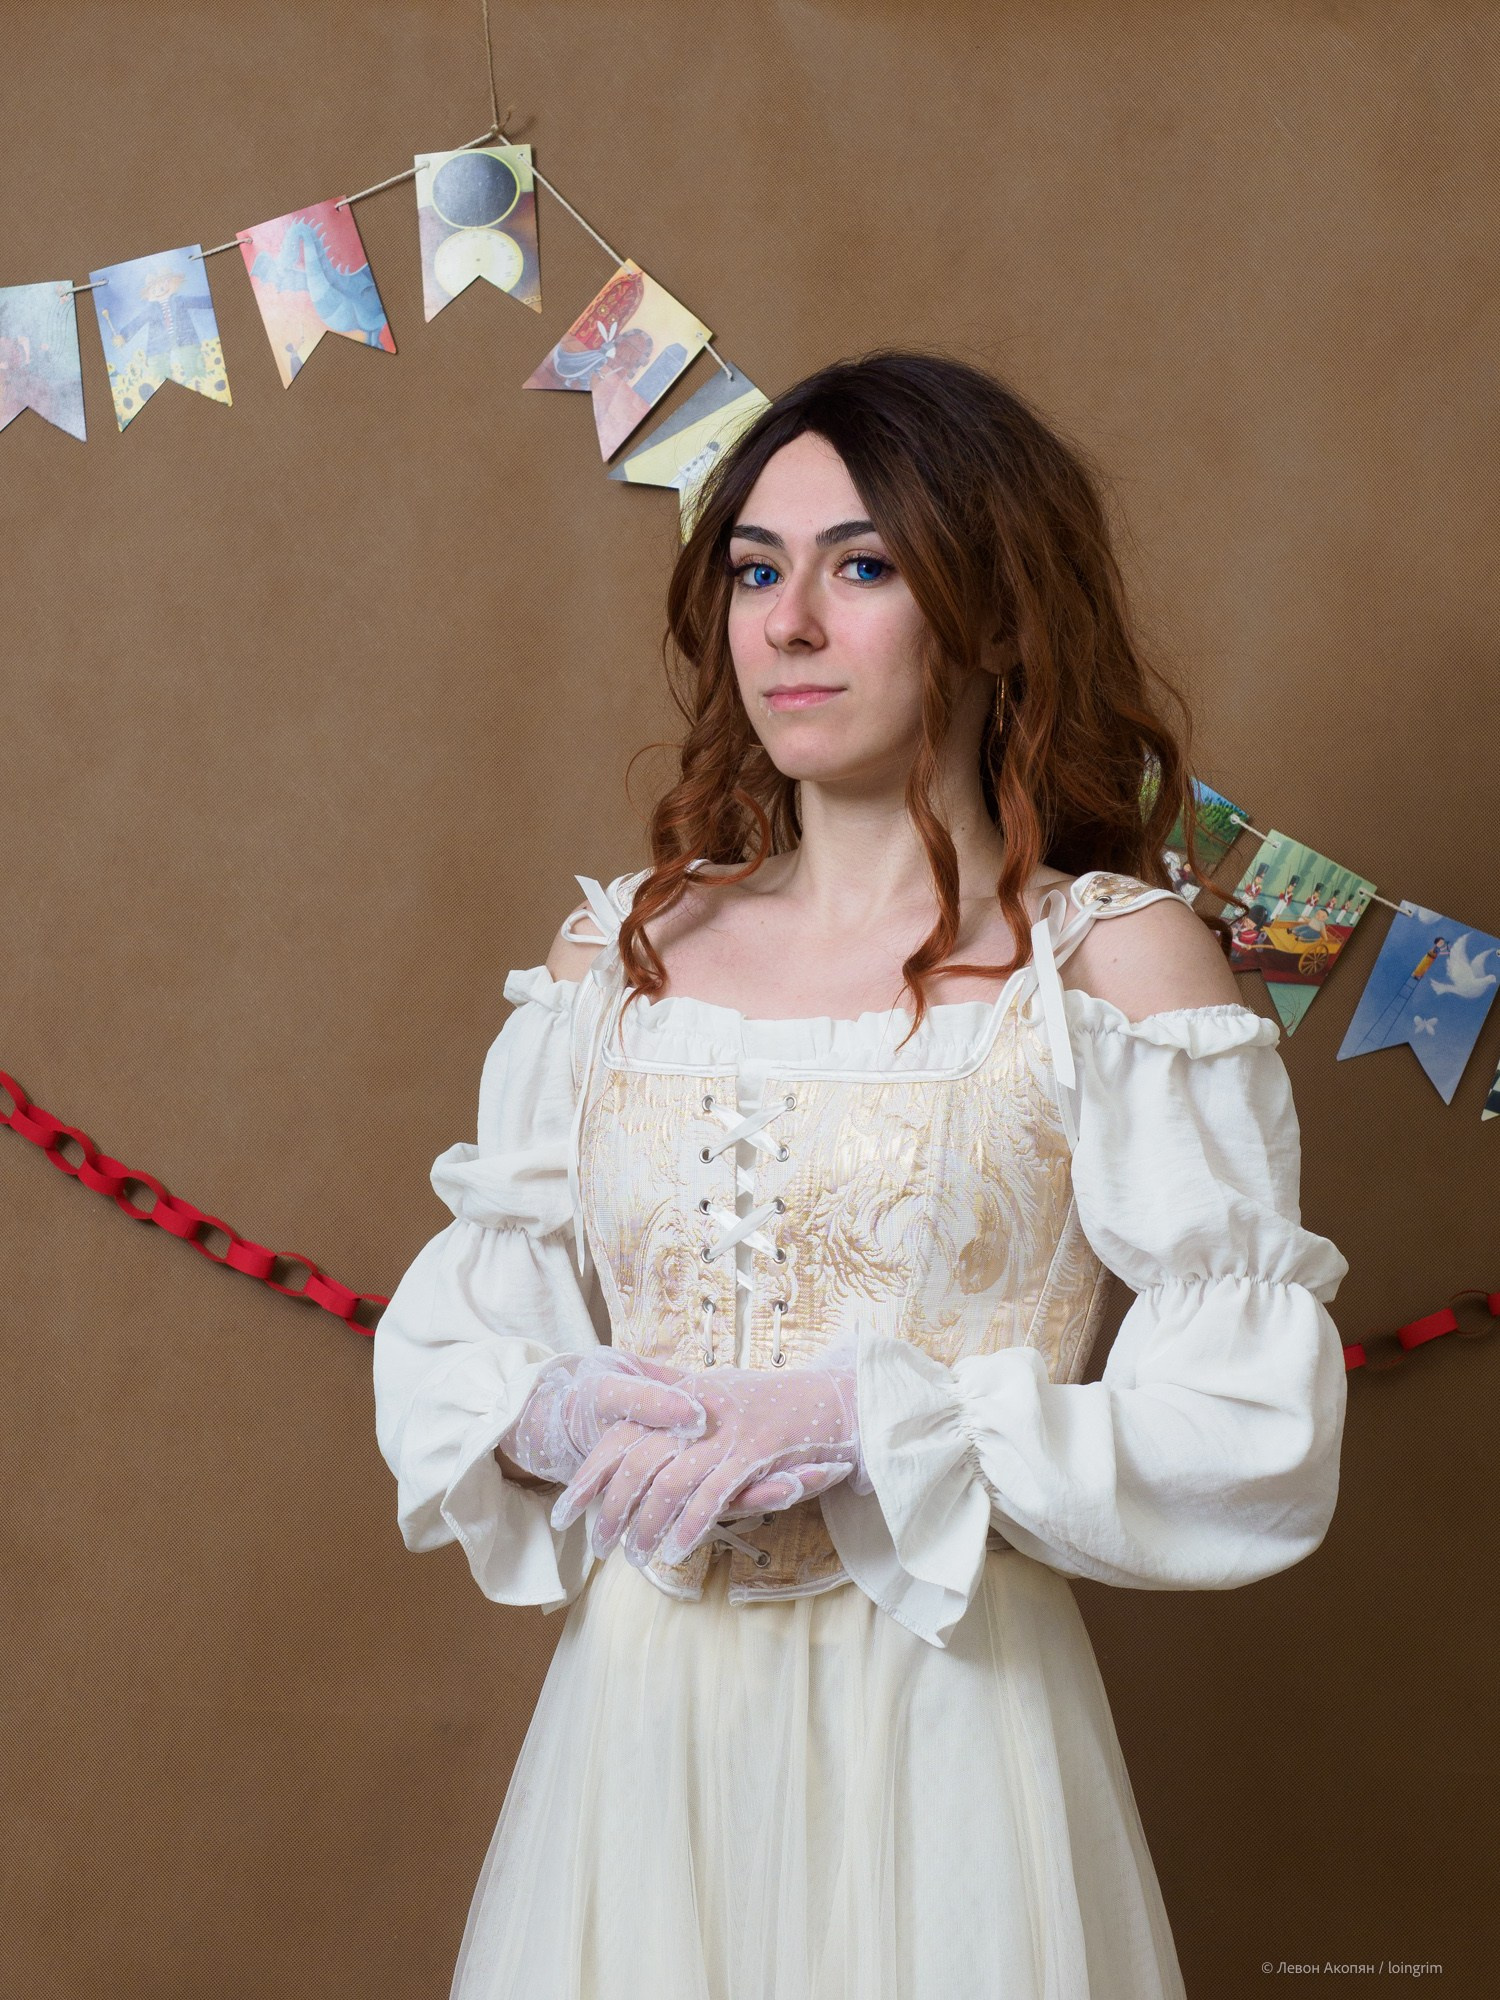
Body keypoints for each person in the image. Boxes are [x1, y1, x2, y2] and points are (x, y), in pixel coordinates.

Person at [371, 350, 1350, 2000]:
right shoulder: (618, 958)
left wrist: (875, 1422)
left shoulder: (1108, 971)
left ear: (997, 614)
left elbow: (1251, 1428)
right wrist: (551, 1411)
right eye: (758, 571)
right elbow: (465, 1331)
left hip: (950, 1726)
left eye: (864, 567)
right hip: (642, 1738)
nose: (791, 626)